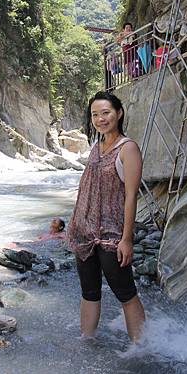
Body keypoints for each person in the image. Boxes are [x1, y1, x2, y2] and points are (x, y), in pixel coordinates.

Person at [67, 91, 145, 342]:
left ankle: (140, 349)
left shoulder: (128, 148)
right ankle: (86, 341)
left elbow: (131, 196)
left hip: (112, 236)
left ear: (119, 113)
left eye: (106, 113)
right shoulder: (95, 148)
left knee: (126, 293)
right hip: (85, 233)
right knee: (89, 291)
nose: (100, 119)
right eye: (95, 115)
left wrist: (127, 239)